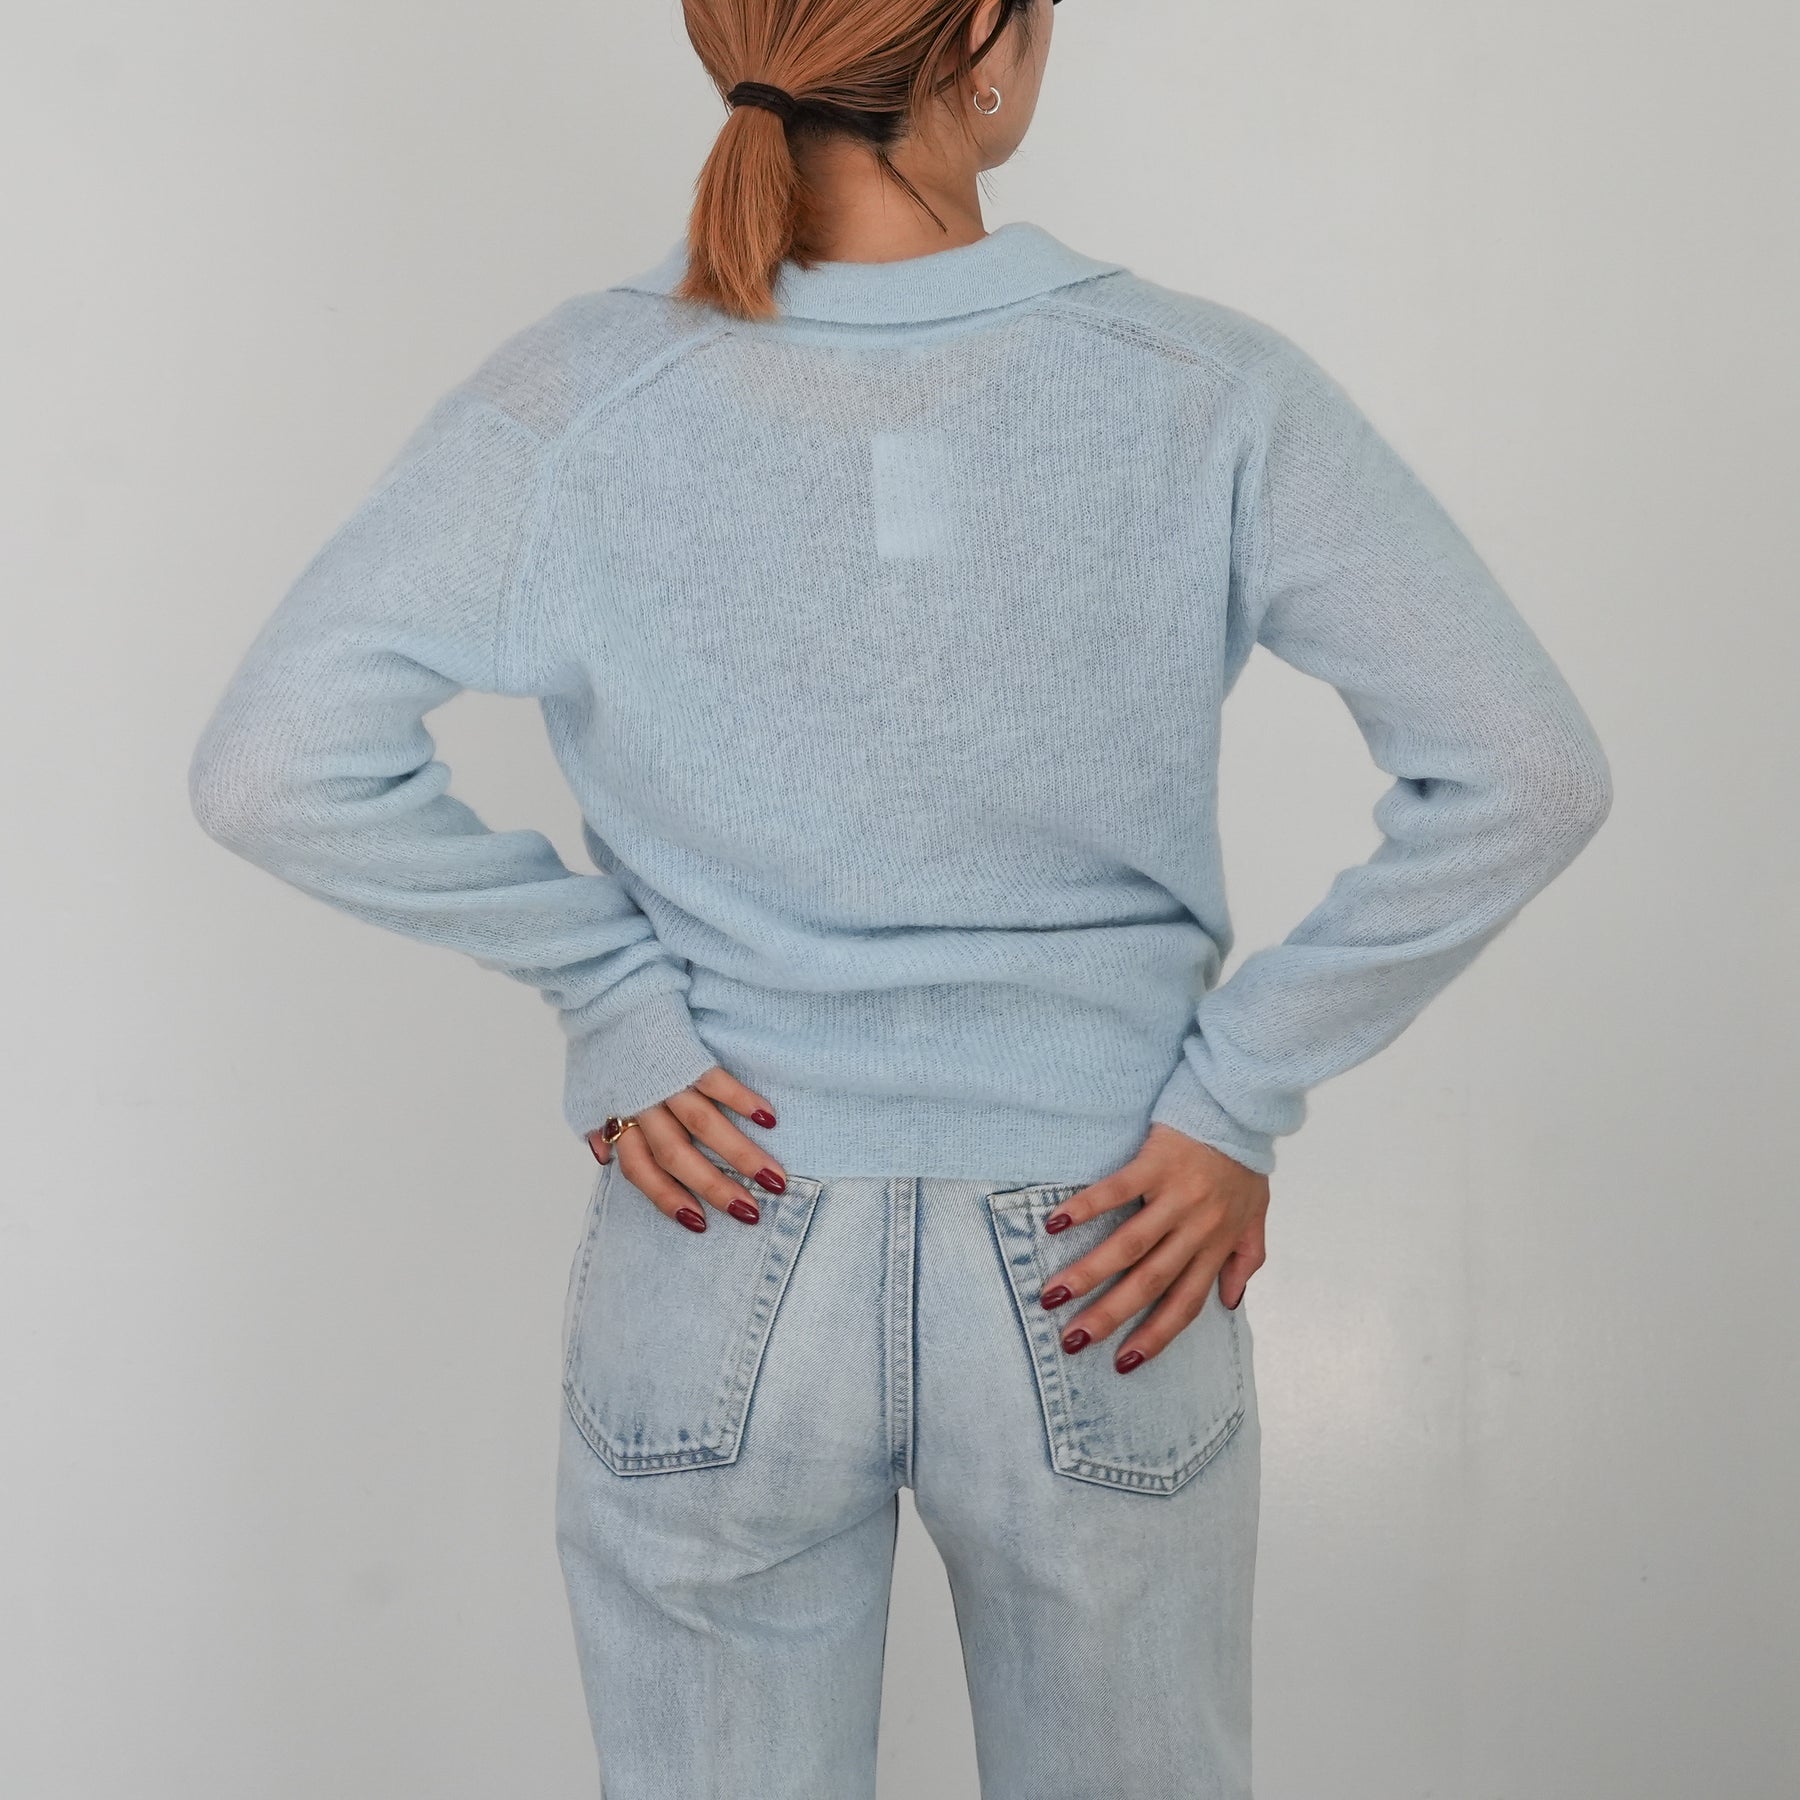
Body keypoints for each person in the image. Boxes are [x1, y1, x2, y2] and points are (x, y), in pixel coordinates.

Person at [186, 0, 1613, 1792]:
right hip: (1112, 1246)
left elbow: (271, 765)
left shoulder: (573, 398)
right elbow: (1528, 769)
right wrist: (1239, 1095)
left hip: (721, 1233)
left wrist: (610, 995)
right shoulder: (1211, 388)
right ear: (985, 46)